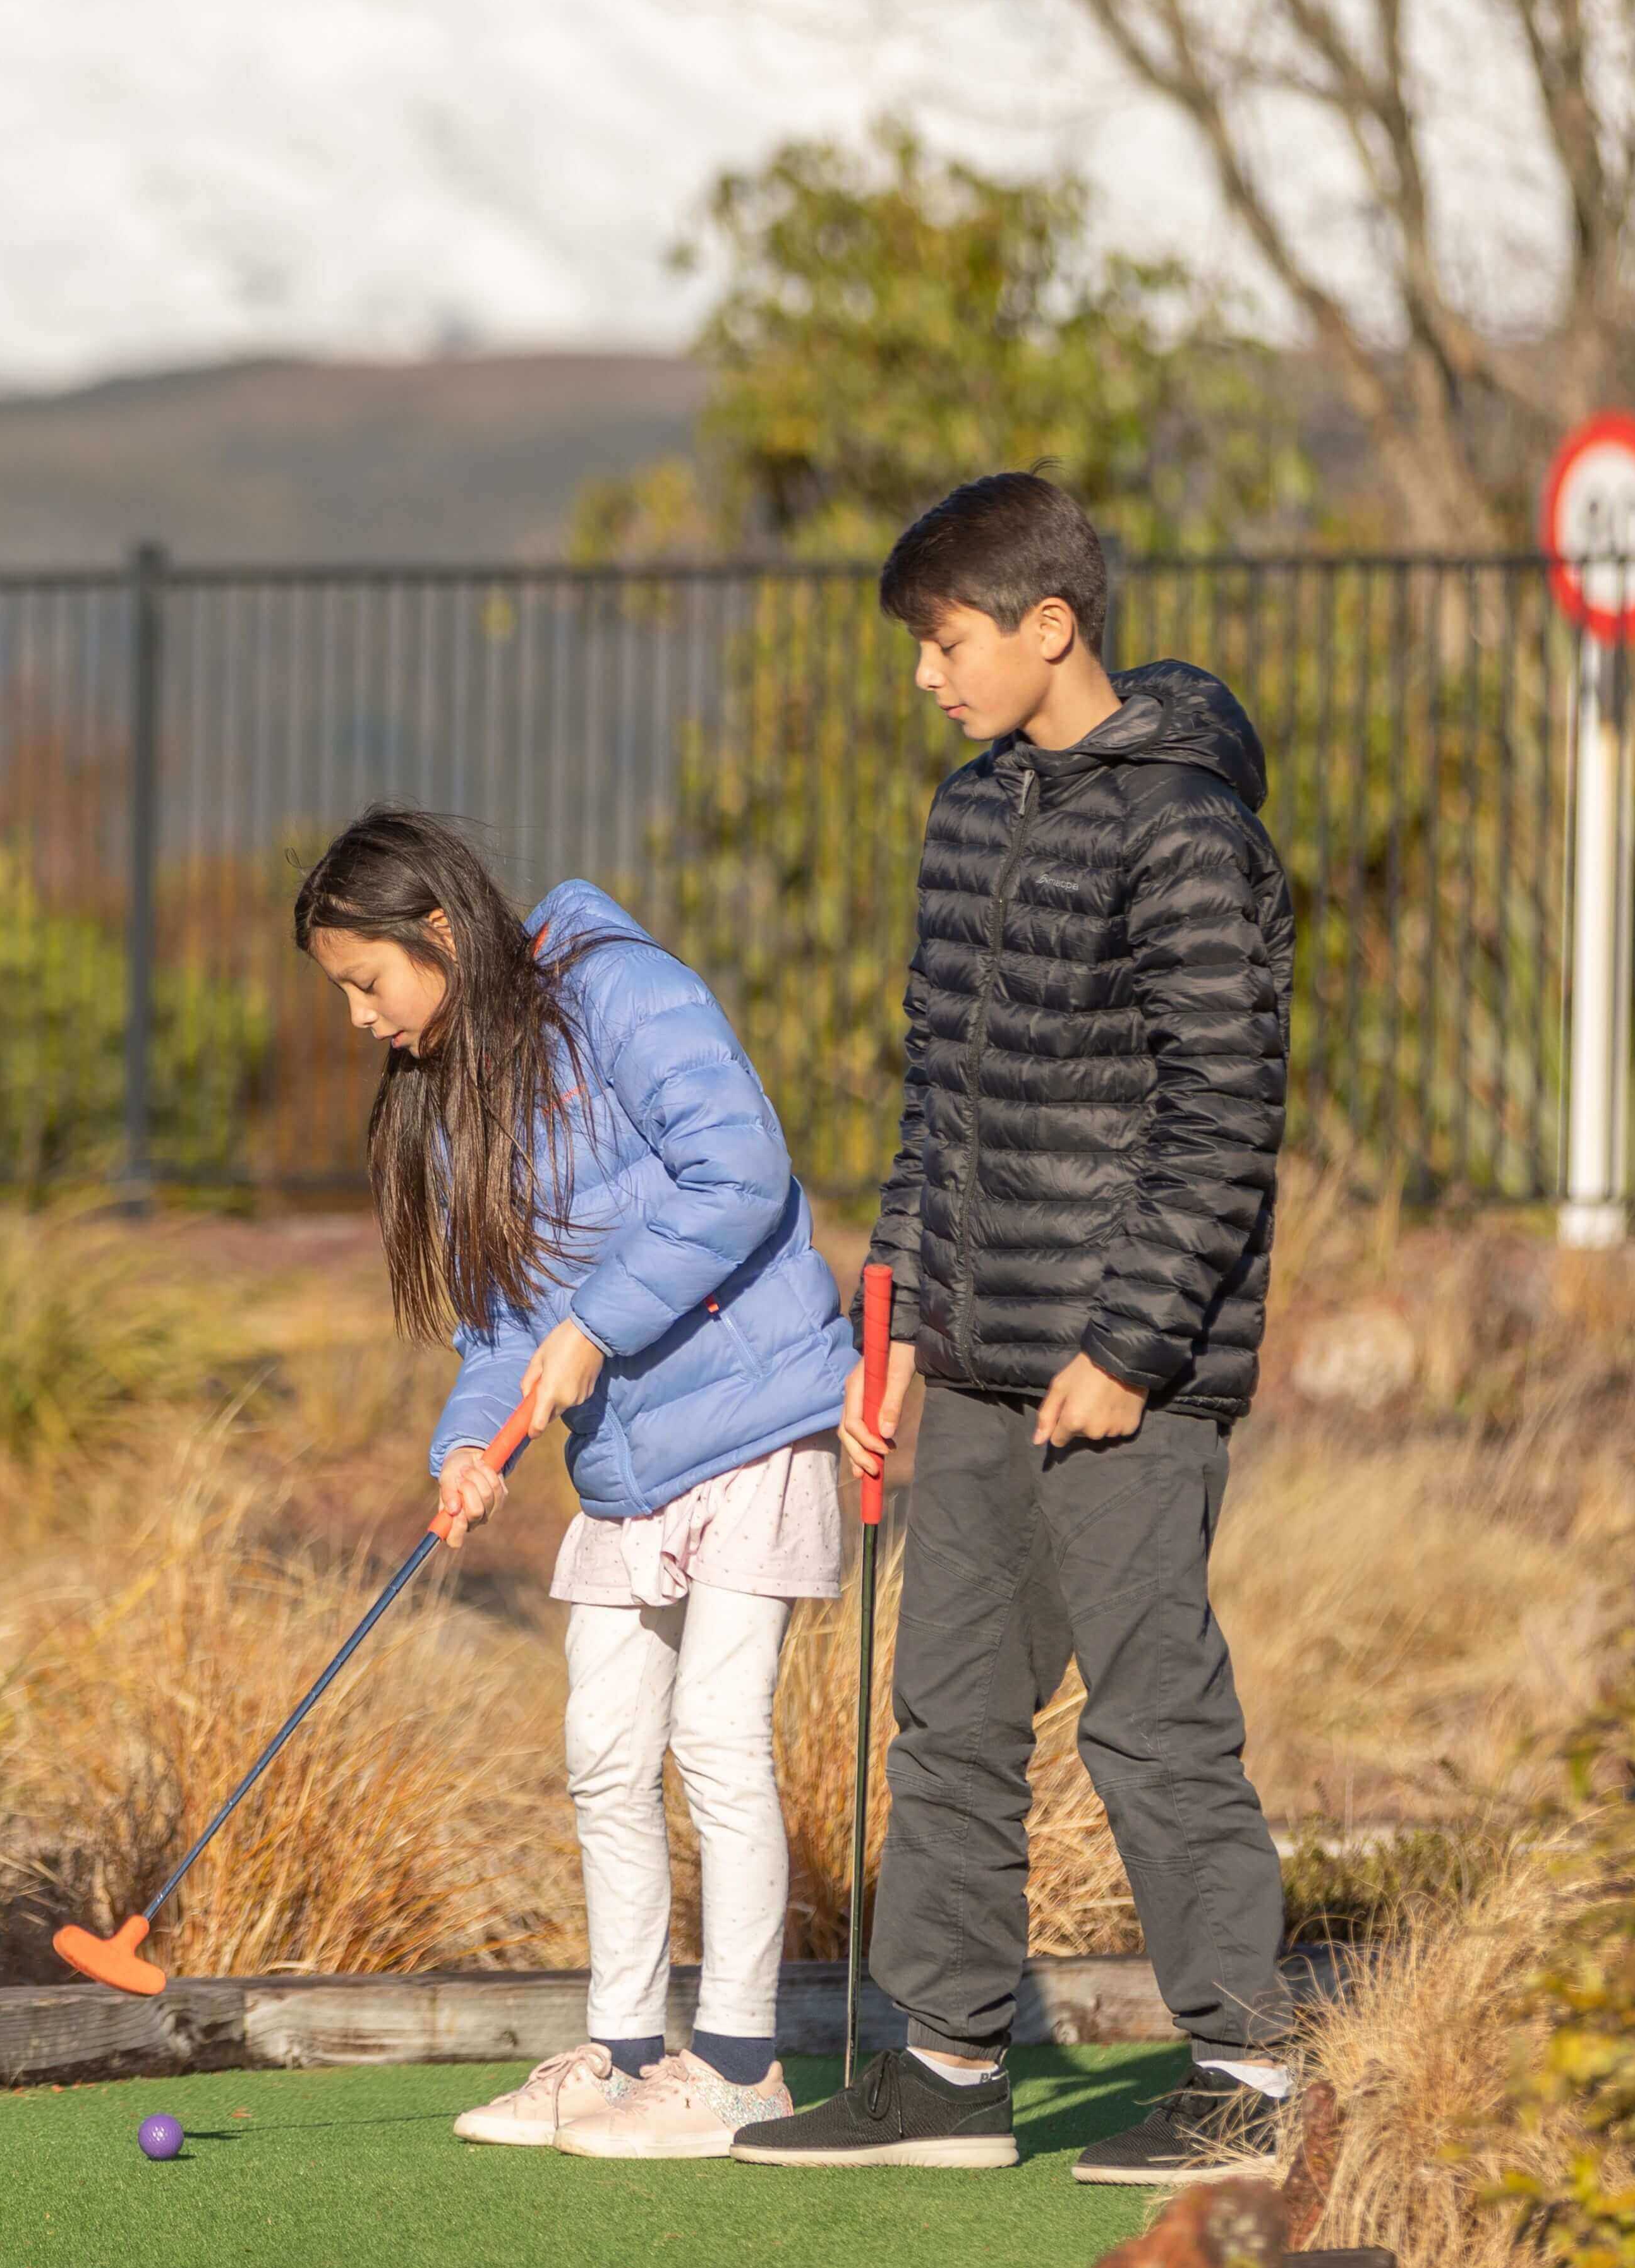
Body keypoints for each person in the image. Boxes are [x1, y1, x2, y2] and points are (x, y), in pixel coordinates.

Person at [732, 469, 1298, 2181]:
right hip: (965, 1351)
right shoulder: (971, 815)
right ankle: (948, 2073)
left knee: (1149, 1715)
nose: (928, 674)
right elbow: (938, 1096)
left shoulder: (1193, 828)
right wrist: (888, 1315)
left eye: (949, 640)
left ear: (1052, 629)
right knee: (948, 1714)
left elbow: (1223, 1119)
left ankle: (1257, 2078)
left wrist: (1127, 1353)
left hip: (1131, 1379)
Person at [293, 807, 855, 2161]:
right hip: (628, 1467)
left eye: (370, 982)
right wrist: (470, 1446)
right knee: (605, 1754)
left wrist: (594, 1325)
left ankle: (737, 2063)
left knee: (717, 1739)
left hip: (757, 1418)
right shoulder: (450, 1098)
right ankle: (619, 2052)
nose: (363, 1017)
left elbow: (740, 1169)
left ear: (437, 931)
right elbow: (503, 1328)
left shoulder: (620, 989)